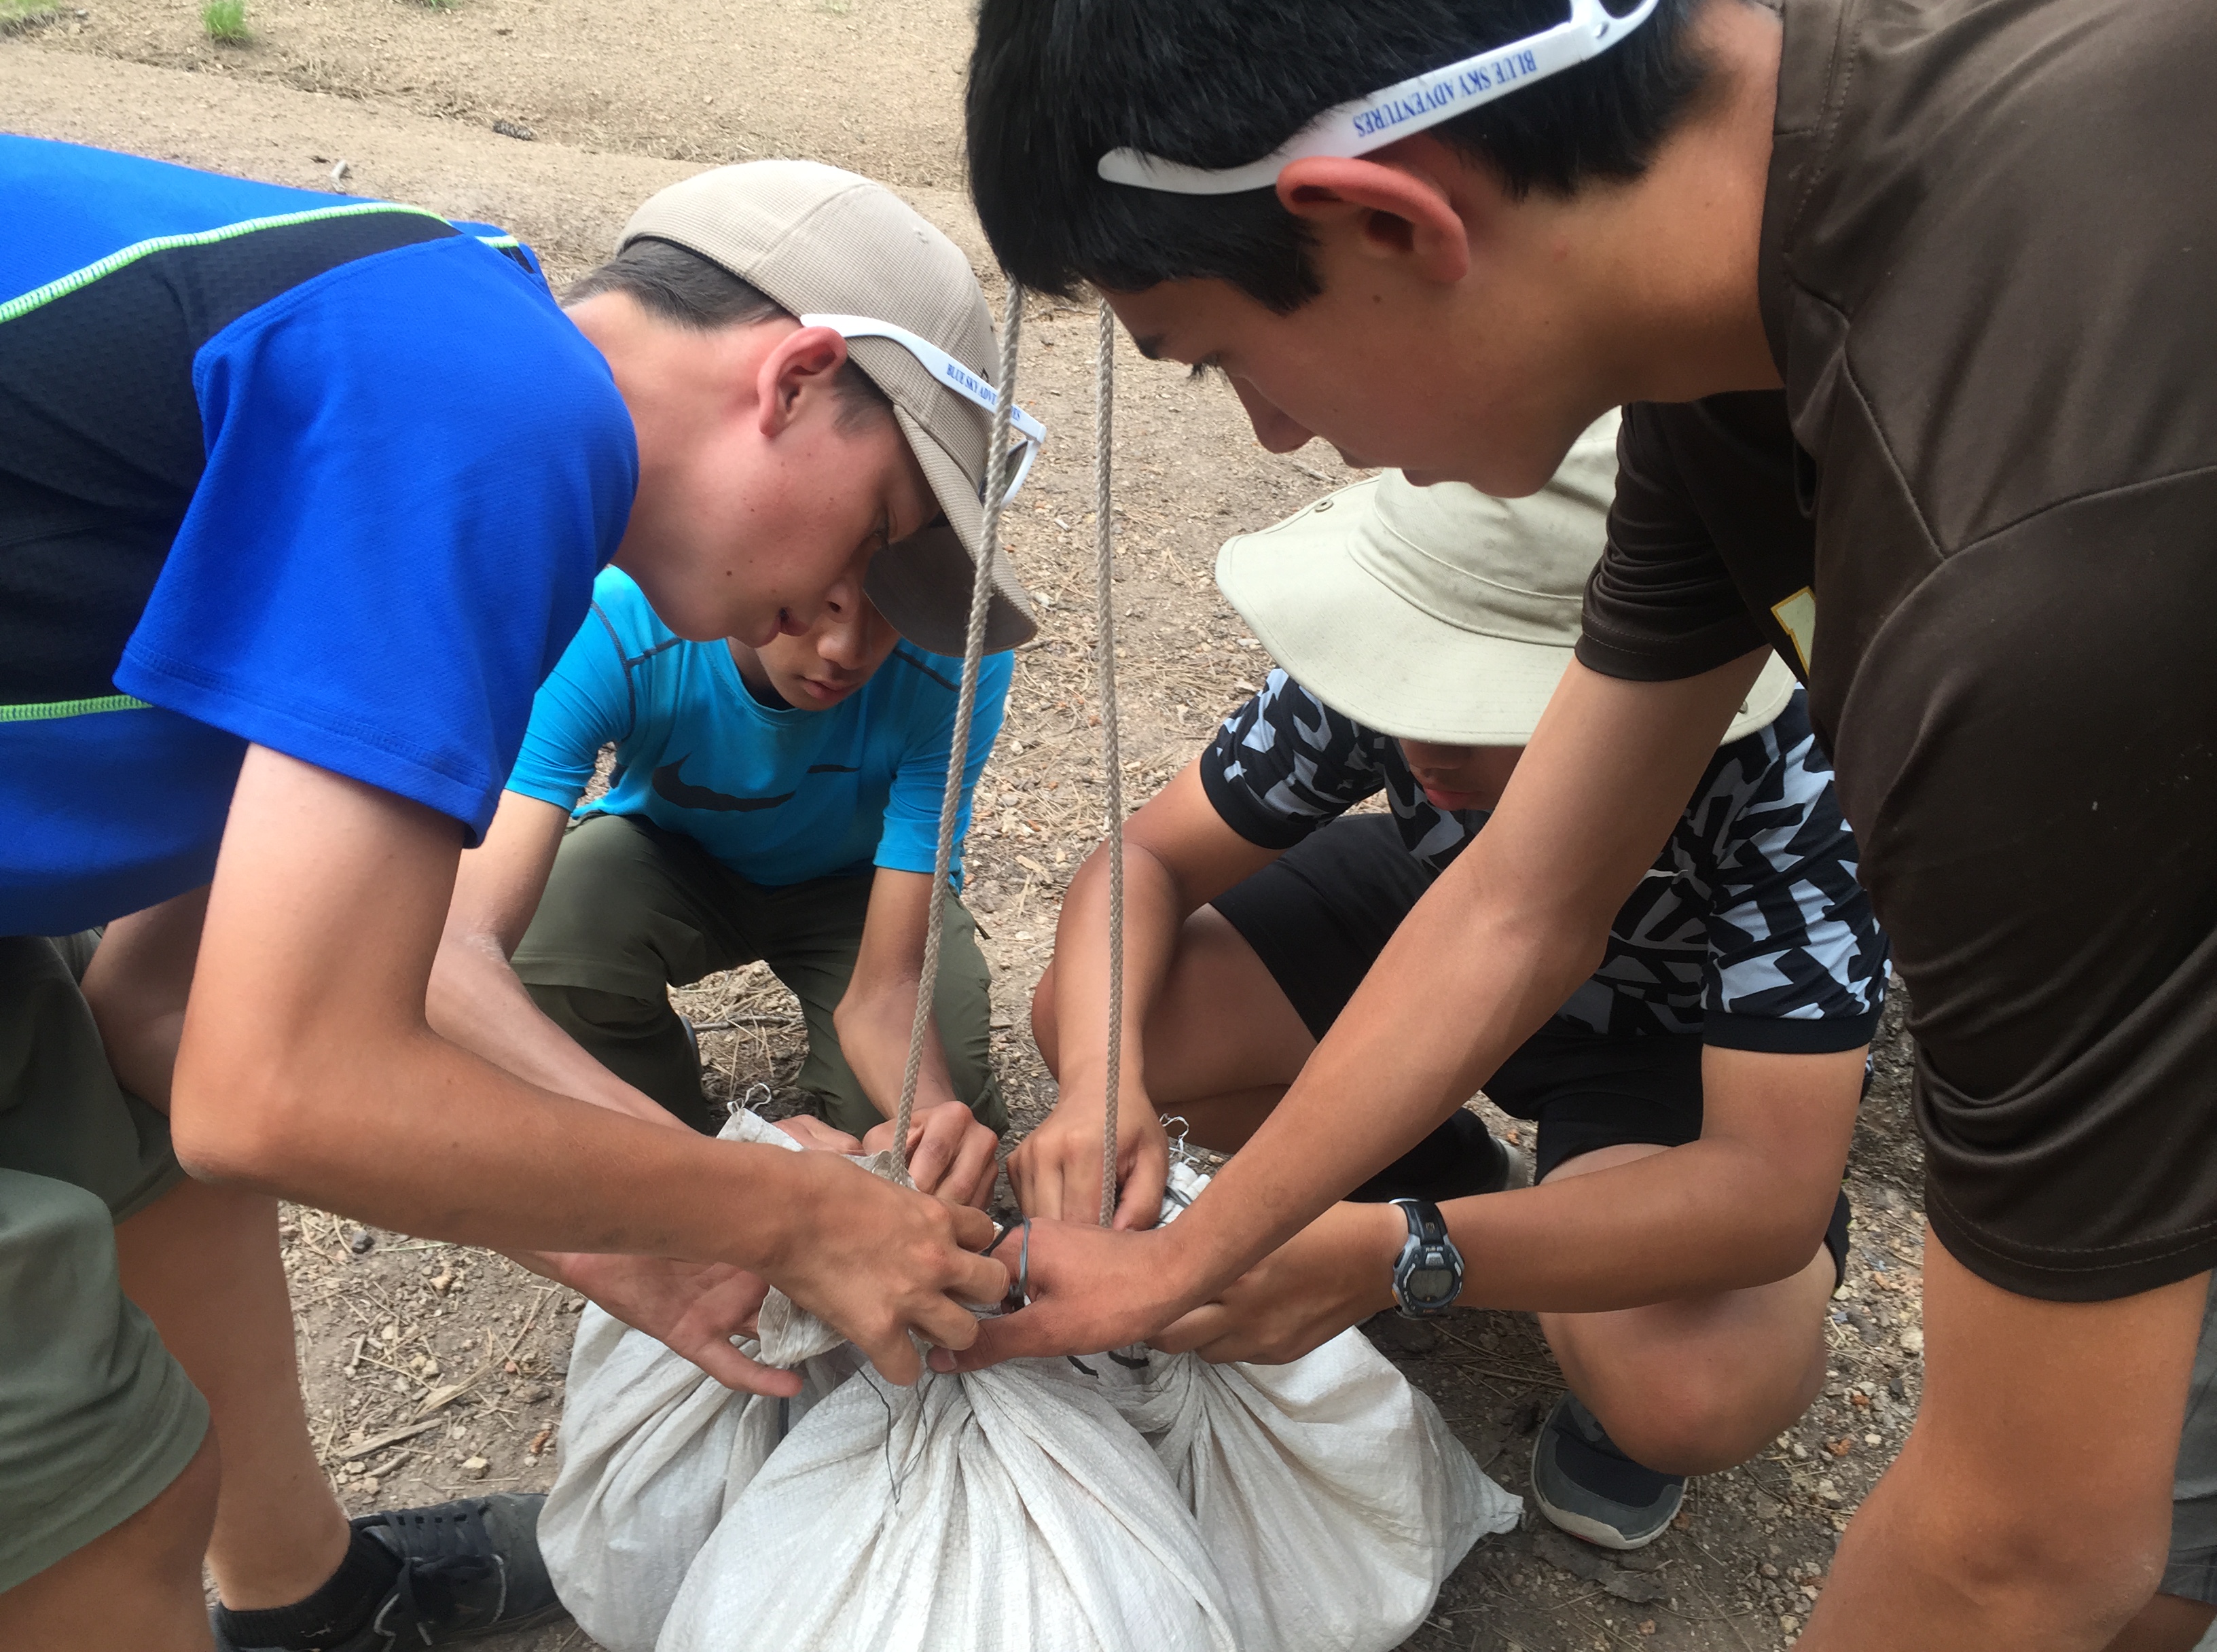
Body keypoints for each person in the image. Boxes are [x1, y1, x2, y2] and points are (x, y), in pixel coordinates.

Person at [956, 0, 2217, 1647]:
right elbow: (1522, 901)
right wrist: (1212, 1255)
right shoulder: (1742, 301)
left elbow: (2022, 1547)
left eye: (1224, 358)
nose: (1278, 432)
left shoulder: (2009, 605)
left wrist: (1392, 1250)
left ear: (1389, 221)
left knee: (2131, 1564)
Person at [0, 143, 1029, 1652]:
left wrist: (641, 1231)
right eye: (876, 530)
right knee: (92, 1487)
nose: (845, 601)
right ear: (796, 380)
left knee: (137, 1155)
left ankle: (310, 1605)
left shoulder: (440, 378)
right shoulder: (497, 410)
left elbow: (160, 1011)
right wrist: (788, 1209)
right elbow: (274, 1086)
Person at [1017, 418, 1879, 1548]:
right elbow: (1145, 860)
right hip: (1438, 913)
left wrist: (1399, 1255)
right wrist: (1097, 1082)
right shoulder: (1376, 687)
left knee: (1689, 1389)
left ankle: (1520, 1241)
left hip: (1674, 1032)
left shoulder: (1803, 769)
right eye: (1412, 676)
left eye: (1483, 700)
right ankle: (1446, 1171)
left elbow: (1767, 1190)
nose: (1425, 743)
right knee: (1117, 1016)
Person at [430, 550, 1011, 1208]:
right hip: (672, 856)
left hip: (860, 888)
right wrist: (712, 1166)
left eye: (887, 609)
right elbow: (462, 947)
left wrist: (932, 1115)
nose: (845, 651)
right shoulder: (617, 621)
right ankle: (646, 1076)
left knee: (921, 1138)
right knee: (547, 939)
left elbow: (889, 987)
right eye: (823, 601)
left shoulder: (957, 655)